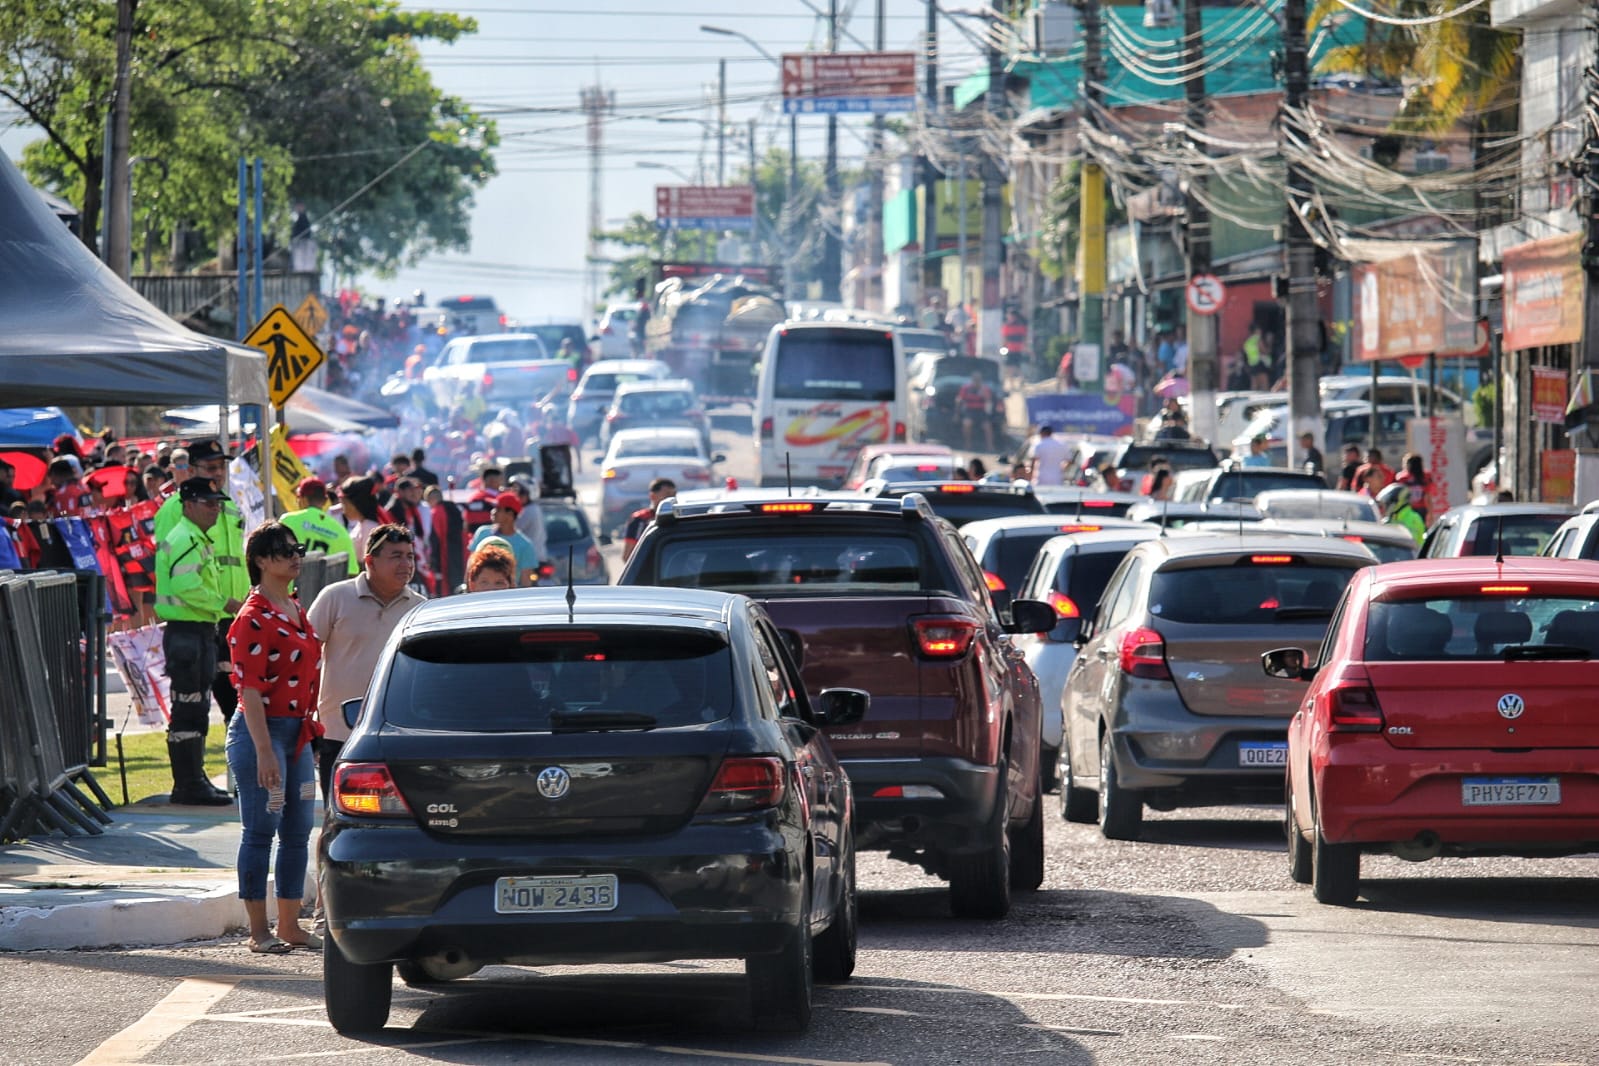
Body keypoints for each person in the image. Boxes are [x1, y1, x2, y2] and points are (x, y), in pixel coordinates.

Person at [225, 522, 322, 954]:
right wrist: (265, 752)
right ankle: (258, 931)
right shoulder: (253, 617)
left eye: (296, 548)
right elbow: (249, 692)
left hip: (297, 735)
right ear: (261, 560)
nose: (294, 556)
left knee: (299, 829)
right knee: (261, 829)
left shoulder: (294, 606)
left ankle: (290, 925)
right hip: (260, 732)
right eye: (283, 551)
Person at [306, 524, 426, 804]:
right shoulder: (335, 597)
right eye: (396, 556)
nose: (406, 564)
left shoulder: (420, 609)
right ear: (370, 560)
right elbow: (305, 654)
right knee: (338, 812)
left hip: (397, 733)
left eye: (410, 556)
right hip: (337, 732)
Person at [153, 478, 244, 806]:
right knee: (190, 709)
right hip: (188, 633)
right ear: (188, 504)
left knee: (195, 707)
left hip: (196, 633)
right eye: (208, 503)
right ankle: (189, 783)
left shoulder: (194, 536)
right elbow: (187, 587)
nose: (215, 509)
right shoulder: (186, 538)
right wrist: (225, 603)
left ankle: (194, 779)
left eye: (217, 503)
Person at [279, 478, 359, 576]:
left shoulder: (287, 521)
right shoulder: (341, 531)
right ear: (325, 501)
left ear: (302, 499)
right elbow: (352, 573)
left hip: (291, 589)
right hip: (327, 591)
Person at [468, 492, 538, 586]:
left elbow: (526, 582)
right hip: (480, 595)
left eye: (498, 509)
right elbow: (470, 567)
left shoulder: (525, 545)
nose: (493, 512)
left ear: (510, 514)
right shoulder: (482, 533)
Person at [622, 477, 676, 562]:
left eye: (674, 495)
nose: (671, 499)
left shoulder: (678, 518)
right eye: (667, 495)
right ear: (652, 496)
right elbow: (627, 556)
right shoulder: (639, 519)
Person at [338, 476, 387, 559]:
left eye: (344, 504)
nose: (342, 509)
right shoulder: (362, 524)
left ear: (356, 504)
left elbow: (368, 562)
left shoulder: (369, 528)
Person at [955, 370, 996, 452]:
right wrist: (957, 413)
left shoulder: (985, 389)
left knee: (987, 427)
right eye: (975, 380)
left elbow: (989, 400)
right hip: (970, 411)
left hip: (981, 411)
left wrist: (983, 394)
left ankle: (990, 446)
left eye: (978, 380)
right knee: (967, 424)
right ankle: (967, 444)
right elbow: (959, 400)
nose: (976, 382)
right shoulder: (966, 388)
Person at [1394, 452, 1432, 523]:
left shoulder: (1401, 477)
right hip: (1422, 508)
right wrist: (1431, 512)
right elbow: (1428, 496)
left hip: (1406, 509)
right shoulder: (1426, 476)